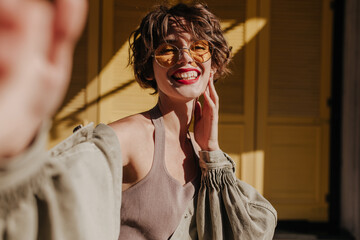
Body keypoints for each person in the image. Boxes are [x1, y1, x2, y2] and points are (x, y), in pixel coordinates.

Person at [0, 1, 276, 240]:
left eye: (198, 48)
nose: (184, 58)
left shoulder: (203, 153)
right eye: (167, 50)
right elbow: (43, 195)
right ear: (149, 66)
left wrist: (212, 151)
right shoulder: (130, 136)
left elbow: (250, 230)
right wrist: (15, 145)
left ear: (213, 63)